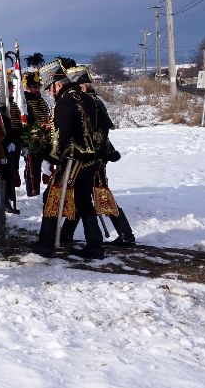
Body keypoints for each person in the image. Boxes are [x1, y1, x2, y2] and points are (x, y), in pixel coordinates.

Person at [34, 59, 108, 259]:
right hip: (91, 160)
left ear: (58, 84)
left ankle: (46, 243)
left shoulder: (66, 102)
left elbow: (61, 135)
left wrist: (50, 158)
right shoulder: (88, 98)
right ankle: (95, 244)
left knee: (52, 197)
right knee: (84, 201)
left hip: (73, 160)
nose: (50, 93)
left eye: (50, 88)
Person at [59, 65, 134, 245]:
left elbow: (99, 132)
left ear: (82, 86)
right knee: (81, 196)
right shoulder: (94, 100)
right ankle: (65, 233)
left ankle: (125, 234)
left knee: (99, 196)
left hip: (93, 157)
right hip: (96, 156)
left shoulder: (89, 101)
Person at [22, 71, 51, 196]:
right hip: (33, 139)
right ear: (27, 87)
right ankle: (33, 193)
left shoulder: (40, 100)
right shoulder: (25, 101)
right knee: (33, 169)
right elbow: (26, 121)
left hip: (46, 137)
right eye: (34, 87)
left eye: (38, 86)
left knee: (47, 167)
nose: (37, 89)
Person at [1, 73, 23, 214]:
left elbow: (17, 123)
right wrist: (8, 141)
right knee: (5, 174)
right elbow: (3, 127)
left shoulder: (12, 103)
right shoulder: (3, 106)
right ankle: (5, 200)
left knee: (12, 172)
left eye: (11, 87)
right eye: (8, 87)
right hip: (6, 143)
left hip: (15, 142)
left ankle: (8, 199)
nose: (11, 90)